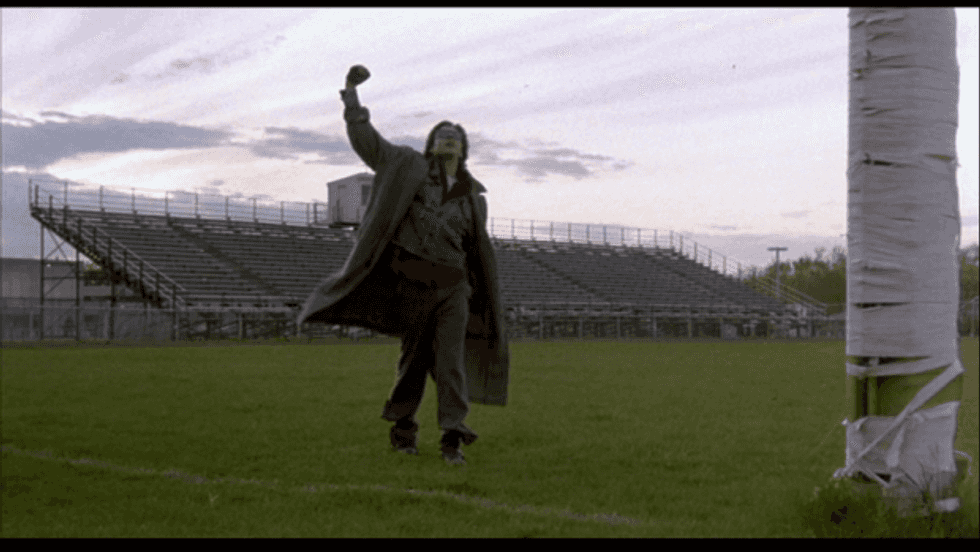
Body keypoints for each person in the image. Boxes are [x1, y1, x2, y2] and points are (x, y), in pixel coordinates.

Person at [297, 66, 509, 466]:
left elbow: (475, 250)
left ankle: (452, 437)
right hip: (413, 283)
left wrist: (477, 293)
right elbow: (369, 144)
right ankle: (403, 428)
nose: (449, 135)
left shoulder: (473, 198)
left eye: (455, 134)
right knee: (413, 362)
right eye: (442, 132)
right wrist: (352, 98)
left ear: (463, 149)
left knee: (450, 362)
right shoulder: (407, 165)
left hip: (453, 287)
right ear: (431, 144)